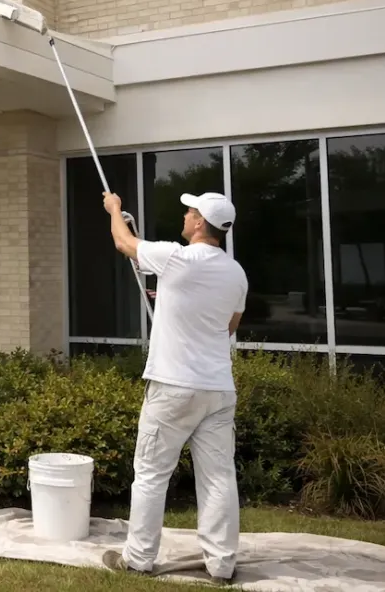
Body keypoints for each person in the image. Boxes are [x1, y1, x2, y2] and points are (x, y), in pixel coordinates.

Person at [99, 190, 247, 586]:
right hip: (218, 389)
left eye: (189, 211)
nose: (184, 215)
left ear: (200, 223)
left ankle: (138, 558)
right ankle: (221, 564)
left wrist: (114, 211)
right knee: (218, 477)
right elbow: (228, 326)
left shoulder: (177, 257)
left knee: (150, 473)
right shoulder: (236, 273)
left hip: (174, 386)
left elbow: (123, 243)